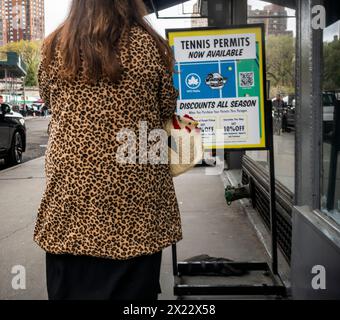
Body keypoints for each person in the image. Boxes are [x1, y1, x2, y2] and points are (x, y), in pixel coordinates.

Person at [34, 0, 182, 301]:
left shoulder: (55, 47)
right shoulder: (150, 45)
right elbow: (167, 106)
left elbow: (48, 98)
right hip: (136, 203)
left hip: (72, 204)